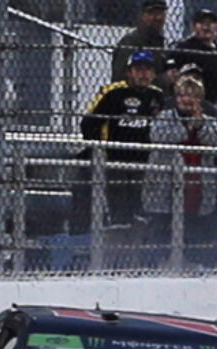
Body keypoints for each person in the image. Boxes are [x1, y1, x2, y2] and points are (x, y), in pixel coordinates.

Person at [79, 49, 162, 261]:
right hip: (114, 162)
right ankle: (110, 260)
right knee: (117, 215)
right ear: (129, 72)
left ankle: (134, 260)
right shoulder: (113, 93)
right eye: (138, 70)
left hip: (145, 165)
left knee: (139, 214)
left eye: (148, 70)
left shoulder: (157, 96)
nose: (143, 74)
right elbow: (88, 122)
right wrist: (100, 151)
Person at [142, 75, 217, 268]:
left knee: (195, 229)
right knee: (162, 229)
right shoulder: (165, 117)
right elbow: (157, 136)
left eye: (192, 96)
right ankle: (158, 264)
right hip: (165, 186)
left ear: (199, 100)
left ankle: (194, 263)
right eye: (182, 95)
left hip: (197, 185)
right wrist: (186, 129)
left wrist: (200, 127)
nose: (186, 100)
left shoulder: (208, 121)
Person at [165, 9, 217, 105]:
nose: (206, 27)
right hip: (196, 100)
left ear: (216, 26)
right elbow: (170, 63)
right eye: (202, 23)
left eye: (210, 23)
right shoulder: (185, 47)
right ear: (194, 27)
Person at [110, 0, 169, 86]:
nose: (158, 17)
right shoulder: (130, 42)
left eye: (161, 13)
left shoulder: (161, 41)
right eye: (153, 13)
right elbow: (119, 77)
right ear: (142, 16)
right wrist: (162, 80)